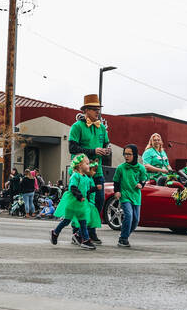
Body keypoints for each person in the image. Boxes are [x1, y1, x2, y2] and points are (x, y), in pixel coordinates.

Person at [68, 94, 111, 244]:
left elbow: (106, 144)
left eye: (98, 109)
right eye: (94, 109)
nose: (97, 112)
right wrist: (93, 151)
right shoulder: (77, 126)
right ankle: (77, 232)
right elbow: (72, 148)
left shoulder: (102, 128)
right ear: (86, 110)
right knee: (80, 202)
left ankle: (90, 230)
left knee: (99, 200)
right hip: (81, 172)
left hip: (96, 171)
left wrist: (107, 150)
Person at [50, 154, 100, 249]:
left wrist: (95, 189)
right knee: (66, 221)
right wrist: (80, 196)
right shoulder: (75, 176)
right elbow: (73, 187)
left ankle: (85, 240)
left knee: (83, 222)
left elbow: (86, 191)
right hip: (73, 202)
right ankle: (55, 232)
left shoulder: (86, 177)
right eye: (87, 163)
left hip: (81, 203)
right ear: (80, 165)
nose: (89, 166)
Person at [112, 144, 148, 247]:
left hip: (136, 195)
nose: (126, 156)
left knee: (136, 220)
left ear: (135, 155)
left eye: (129, 154)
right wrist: (117, 191)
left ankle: (124, 235)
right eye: (125, 154)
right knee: (129, 215)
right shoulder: (120, 168)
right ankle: (123, 239)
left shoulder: (141, 168)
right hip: (125, 195)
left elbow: (144, 179)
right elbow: (116, 181)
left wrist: (141, 184)